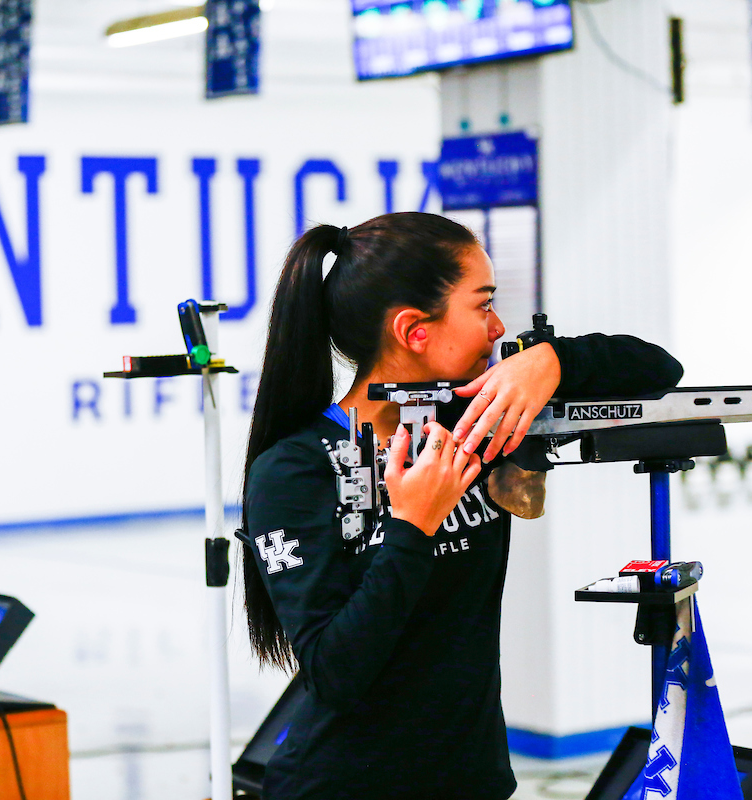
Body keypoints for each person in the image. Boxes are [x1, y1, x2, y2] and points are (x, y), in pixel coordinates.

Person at [239, 212, 683, 800]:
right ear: (414, 330)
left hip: (472, 781)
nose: (498, 327)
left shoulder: (474, 419)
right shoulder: (295, 470)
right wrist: (412, 527)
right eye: (482, 305)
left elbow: (659, 370)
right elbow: (335, 673)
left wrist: (553, 361)